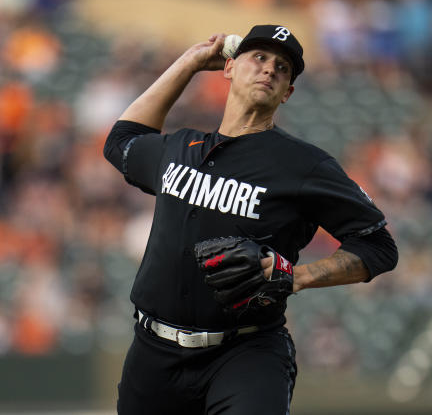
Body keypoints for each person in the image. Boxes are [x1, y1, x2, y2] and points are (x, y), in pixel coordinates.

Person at [104, 24, 398, 415]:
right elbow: (122, 140)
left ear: (287, 92)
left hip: (244, 353)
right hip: (153, 354)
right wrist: (190, 62)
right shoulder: (180, 148)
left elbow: (378, 246)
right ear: (229, 68)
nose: (270, 69)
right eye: (258, 57)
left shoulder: (304, 165)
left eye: (282, 68)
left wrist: (297, 277)